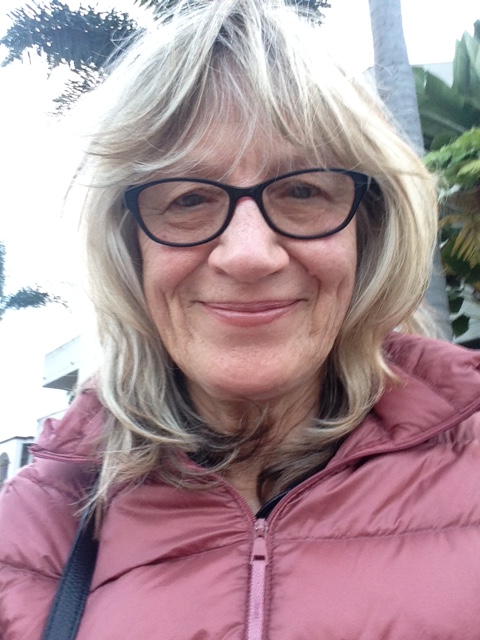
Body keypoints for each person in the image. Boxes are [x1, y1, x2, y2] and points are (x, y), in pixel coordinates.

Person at [1, 1, 480, 638]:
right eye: (188, 198)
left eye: (303, 190)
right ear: (129, 244)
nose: (249, 255)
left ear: (368, 231)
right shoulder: (29, 528)